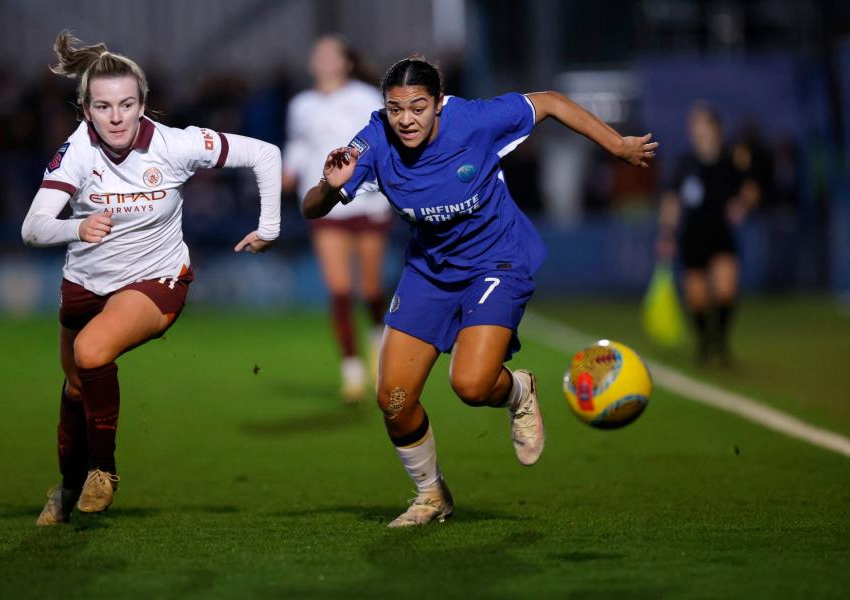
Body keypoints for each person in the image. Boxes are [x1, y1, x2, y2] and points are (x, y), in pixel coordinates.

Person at [302, 57, 656, 527]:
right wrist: (329, 187)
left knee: (471, 384)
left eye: (418, 107)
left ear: (439, 105)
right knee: (393, 400)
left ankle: (519, 392)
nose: (405, 119)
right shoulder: (372, 142)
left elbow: (549, 102)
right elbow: (311, 208)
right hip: (429, 271)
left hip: (497, 261)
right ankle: (432, 496)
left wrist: (617, 144)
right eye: (395, 109)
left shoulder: (474, 120)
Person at [22, 32, 281, 525]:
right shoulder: (75, 152)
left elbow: (264, 154)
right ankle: (69, 488)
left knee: (91, 352)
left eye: (126, 104)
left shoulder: (176, 145)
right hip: (83, 284)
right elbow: (33, 228)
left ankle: (105, 472)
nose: (116, 116)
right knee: (77, 388)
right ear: (86, 110)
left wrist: (269, 227)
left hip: (155, 280)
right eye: (103, 106)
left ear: (143, 104)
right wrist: (77, 226)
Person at [283, 34, 393, 402]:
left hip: (368, 201)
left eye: (332, 55)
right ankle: (352, 371)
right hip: (326, 202)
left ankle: (378, 347)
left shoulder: (364, 97)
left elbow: (383, 140)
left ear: (346, 62)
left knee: (372, 290)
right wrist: (289, 169)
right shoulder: (302, 104)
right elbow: (299, 144)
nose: (325, 60)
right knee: (340, 291)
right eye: (320, 55)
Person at [657, 103, 758, 365]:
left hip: (721, 234)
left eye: (701, 123)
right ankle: (704, 345)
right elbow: (672, 200)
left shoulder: (731, 160)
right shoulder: (685, 163)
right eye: (694, 124)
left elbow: (750, 189)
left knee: (726, 291)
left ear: (716, 129)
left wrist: (742, 205)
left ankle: (721, 344)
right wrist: (667, 234)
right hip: (692, 237)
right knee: (698, 300)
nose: (696, 129)